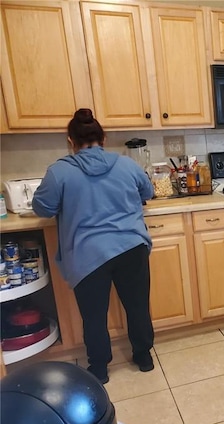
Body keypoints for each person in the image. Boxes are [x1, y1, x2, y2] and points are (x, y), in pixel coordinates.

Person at [33, 108, 155, 384]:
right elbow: (148, 191)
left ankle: (99, 368)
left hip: (88, 254)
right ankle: (143, 356)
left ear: (70, 141)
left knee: (94, 315)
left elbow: (42, 207)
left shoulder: (59, 172)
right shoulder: (126, 164)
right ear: (104, 137)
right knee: (137, 305)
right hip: (131, 247)